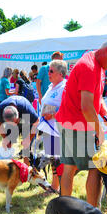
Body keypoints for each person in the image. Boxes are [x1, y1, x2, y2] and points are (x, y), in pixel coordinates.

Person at [55, 36, 107, 208]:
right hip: (77, 123)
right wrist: (100, 132)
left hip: (69, 121)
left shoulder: (99, 66)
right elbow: (86, 107)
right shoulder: (89, 67)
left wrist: (105, 113)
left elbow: (96, 97)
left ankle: (66, 210)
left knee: (69, 167)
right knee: (97, 166)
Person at [37, 59, 68, 192]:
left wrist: (53, 114)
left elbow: (67, 107)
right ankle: (55, 185)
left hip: (57, 128)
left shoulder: (65, 87)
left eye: (51, 71)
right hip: (47, 127)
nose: (48, 73)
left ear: (60, 73)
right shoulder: (51, 86)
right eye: (48, 70)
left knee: (56, 158)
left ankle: (55, 187)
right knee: (51, 156)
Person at [0, 95, 39, 166]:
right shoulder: (1, 108)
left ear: (18, 115)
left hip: (26, 119)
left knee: (26, 147)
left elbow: (37, 122)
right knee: (7, 143)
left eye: (15, 123)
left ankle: (26, 169)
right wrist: (5, 137)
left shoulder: (26, 108)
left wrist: (29, 138)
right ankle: (6, 167)